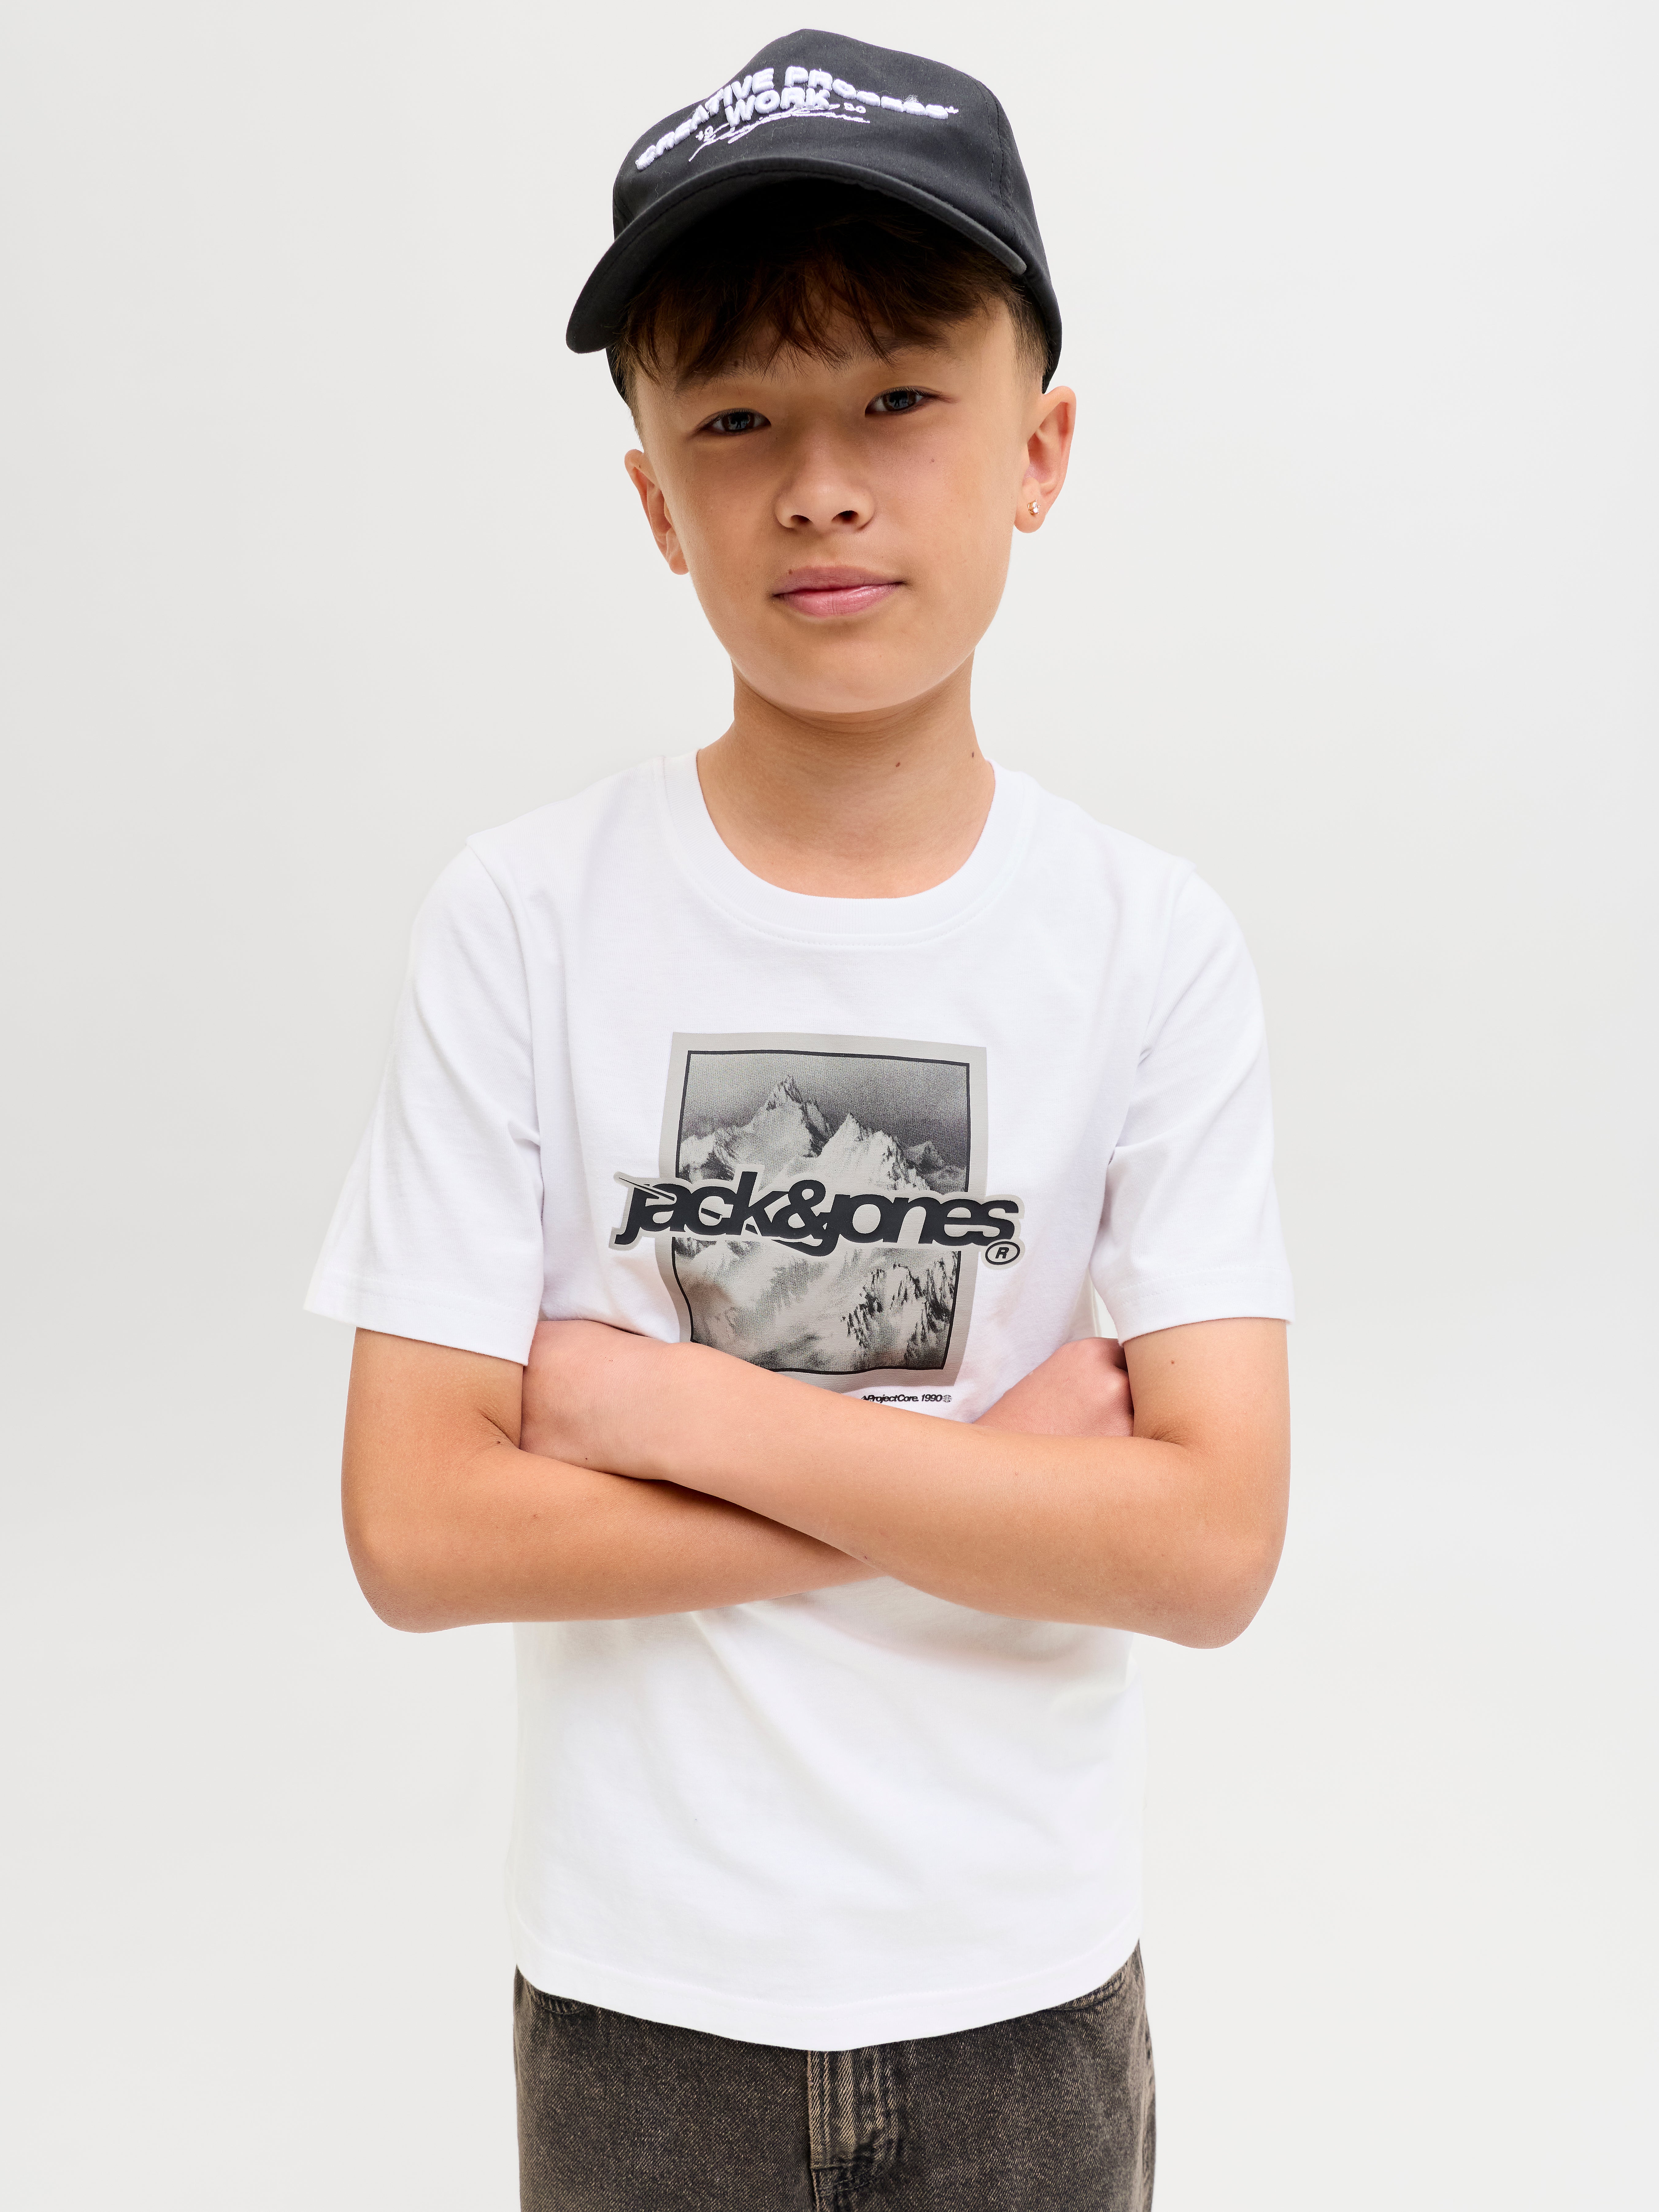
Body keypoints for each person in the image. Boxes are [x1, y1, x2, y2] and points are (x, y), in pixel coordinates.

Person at [307, 29, 1293, 2210]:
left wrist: (665, 1411)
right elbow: (420, 1532)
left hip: (1025, 1994)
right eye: (738, 420)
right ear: (656, 501)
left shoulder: (1146, 942)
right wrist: (994, 1477)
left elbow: (1212, 1547)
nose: (821, 486)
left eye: (901, 400)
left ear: (1039, 451)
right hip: (646, 2008)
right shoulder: (525, 920)